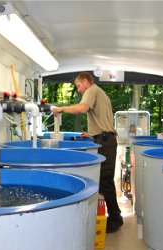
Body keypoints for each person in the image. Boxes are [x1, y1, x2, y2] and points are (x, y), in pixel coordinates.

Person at [53, 72, 123, 233]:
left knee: (105, 181)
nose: (78, 90)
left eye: (78, 86)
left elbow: (82, 108)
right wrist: (91, 134)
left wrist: (61, 109)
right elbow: (101, 119)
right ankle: (108, 216)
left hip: (105, 141)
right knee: (105, 181)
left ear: (86, 82)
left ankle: (115, 219)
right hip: (104, 138)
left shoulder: (92, 90)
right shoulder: (99, 92)